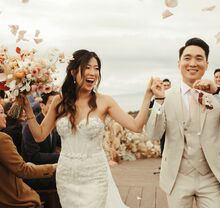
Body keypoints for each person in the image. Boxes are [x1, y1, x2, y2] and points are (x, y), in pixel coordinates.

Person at [22, 49, 153, 208]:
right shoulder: (59, 101)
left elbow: (136, 126)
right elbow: (39, 135)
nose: (93, 73)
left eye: (96, 68)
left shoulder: (105, 102)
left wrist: (148, 96)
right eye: (87, 67)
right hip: (66, 176)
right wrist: (27, 108)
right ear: (73, 71)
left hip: (94, 176)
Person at [146, 37, 220, 208]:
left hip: (212, 176)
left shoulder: (219, 94)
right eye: (187, 58)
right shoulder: (167, 96)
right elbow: (154, 134)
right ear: (179, 63)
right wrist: (158, 100)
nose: (192, 63)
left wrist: (217, 92)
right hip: (177, 177)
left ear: (207, 64)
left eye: (199, 58)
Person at [0, 103, 57, 208]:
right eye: (1, 113)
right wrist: (52, 168)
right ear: (42, 105)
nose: (5, 115)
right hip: (12, 200)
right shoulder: (3, 139)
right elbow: (22, 170)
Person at [22, 91, 61, 190]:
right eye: (52, 103)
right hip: (35, 176)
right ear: (42, 105)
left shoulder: (56, 122)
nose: (56, 106)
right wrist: (62, 156)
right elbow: (34, 157)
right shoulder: (31, 126)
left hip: (50, 171)